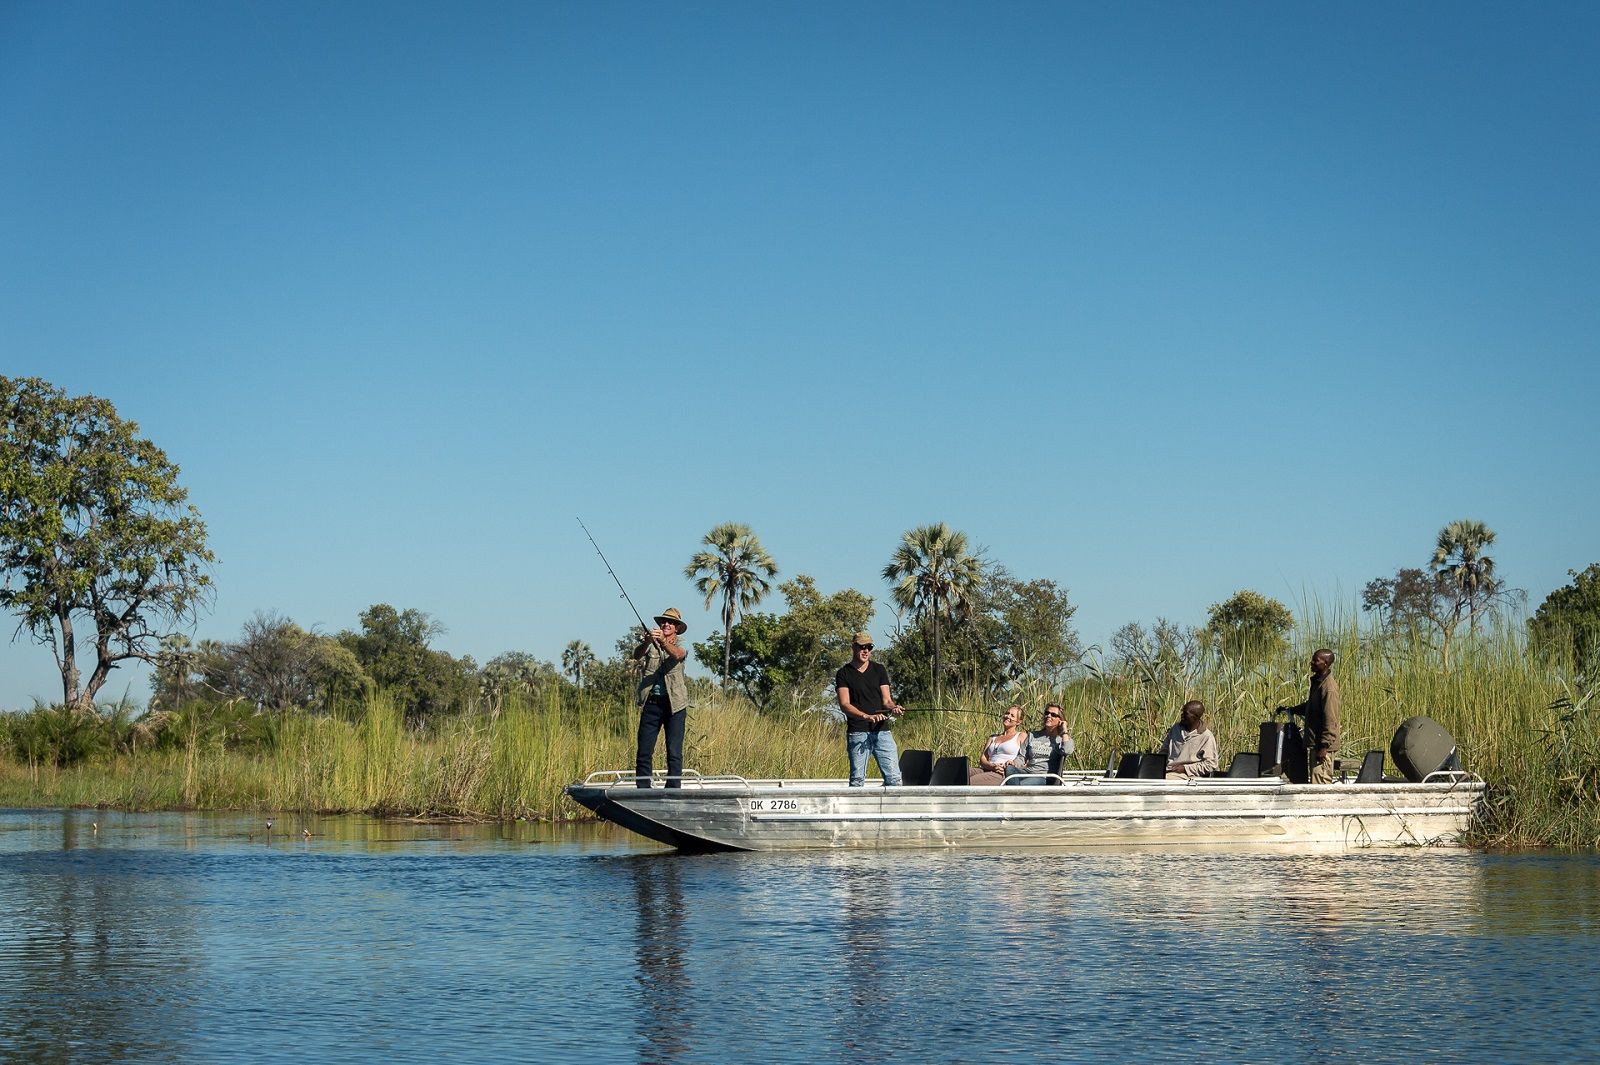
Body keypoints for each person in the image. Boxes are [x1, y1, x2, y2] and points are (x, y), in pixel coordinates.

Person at [835, 631, 903, 787]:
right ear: (853, 647)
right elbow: (845, 704)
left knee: (894, 779)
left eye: (869, 647)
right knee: (857, 780)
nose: (866, 650)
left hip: (882, 731)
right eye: (862, 647)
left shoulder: (879, 669)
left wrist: (894, 708)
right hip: (858, 732)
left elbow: (887, 701)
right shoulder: (843, 673)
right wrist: (866, 716)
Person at [633, 607, 690, 789]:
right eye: (664, 621)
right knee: (644, 750)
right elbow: (637, 655)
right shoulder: (651, 643)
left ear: (677, 628)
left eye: (671, 622)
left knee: (674, 751)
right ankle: (643, 789)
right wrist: (647, 642)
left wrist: (663, 642)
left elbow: (678, 654)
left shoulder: (682, 644)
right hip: (652, 703)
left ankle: (673, 789)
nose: (666, 624)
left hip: (675, 705)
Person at [1279, 648, 1341, 784]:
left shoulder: (1328, 688)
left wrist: (1324, 747)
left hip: (1322, 747)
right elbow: (1311, 707)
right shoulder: (1318, 684)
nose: (1311, 662)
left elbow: (1331, 719)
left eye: (1315, 660)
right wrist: (1291, 710)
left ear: (1325, 663)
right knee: (1315, 782)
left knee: (1320, 785)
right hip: (1316, 745)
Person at [1003, 703, 1075, 783]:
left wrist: (1064, 731)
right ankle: (1017, 789)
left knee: (1022, 784)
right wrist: (1013, 763)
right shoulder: (1033, 735)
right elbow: (1022, 757)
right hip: (1027, 772)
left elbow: (1067, 750)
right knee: (1009, 769)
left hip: (1044, 777)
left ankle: (1016, 789)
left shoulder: (1062, 739)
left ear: (1060, 720)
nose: (1048, 716)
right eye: (1047, 713)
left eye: (1053, 715)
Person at [968, 705, 1027, 785]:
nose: (1008, 716)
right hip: (987, 769)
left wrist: (1012, 765)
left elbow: (1027, 760)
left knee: (970, 781)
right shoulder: (993, 737)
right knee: (961, 772)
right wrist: (992, 766)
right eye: (1007, 713)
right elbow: (983, 758)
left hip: (1001, 773)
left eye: (1012, 715)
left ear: (1018, 721)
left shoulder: (1021, 736)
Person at [1161, 700, 1219, 779]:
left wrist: (1185, 768)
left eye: (1185, 714)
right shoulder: (1175, 729)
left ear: (1195, 717)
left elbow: (1211, 765)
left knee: (1163, 779)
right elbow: (1163, 752)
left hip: (1190, 776)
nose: (1182, 715)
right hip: (1169, 771)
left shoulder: (1206, 736)